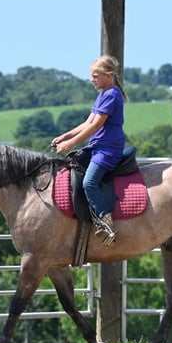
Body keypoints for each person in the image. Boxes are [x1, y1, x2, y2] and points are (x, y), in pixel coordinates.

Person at [52, 55, 128, 246]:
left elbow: (95, 127)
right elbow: (88, 122)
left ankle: (105, 220)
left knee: (89, 183)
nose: (92, 79)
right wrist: (65, 136)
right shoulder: (103, 94)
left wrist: (70, 145)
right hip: (97, 147)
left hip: (107, 149)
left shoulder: (111, 95)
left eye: (95, 76)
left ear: (108, 75)